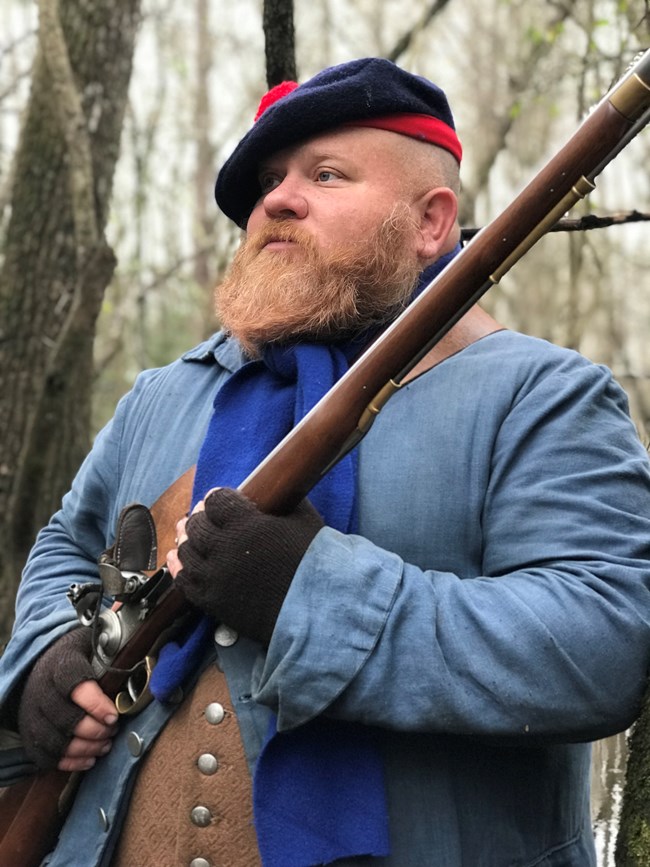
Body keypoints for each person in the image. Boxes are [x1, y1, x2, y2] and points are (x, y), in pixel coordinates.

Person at [1, 56, 650, 867]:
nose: (276, 197)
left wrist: (311, 589)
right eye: (270, 178)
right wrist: (47, 662)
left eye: (327, 174)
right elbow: (66, 541)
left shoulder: (541, 394)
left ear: (430, 222)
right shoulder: (165, 395)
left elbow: (601, 644)